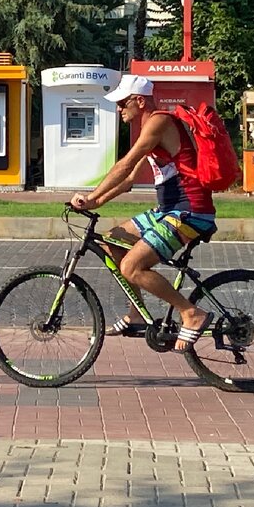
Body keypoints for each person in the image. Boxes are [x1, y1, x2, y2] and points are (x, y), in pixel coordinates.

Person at [69, 75, 216, 352]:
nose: (118, 109)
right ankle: (136, 314)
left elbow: (125, 165)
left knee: (132, 267)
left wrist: (90, 196)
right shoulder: (149, 127)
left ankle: (190, 313)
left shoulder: (160, 121)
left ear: (139, 100)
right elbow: (128, 181)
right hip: (167, 211)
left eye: (122, 103)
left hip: (190, 211)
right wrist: (96, 201)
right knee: (109, 242)